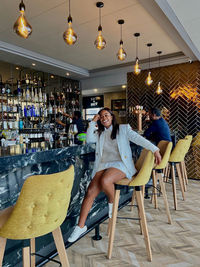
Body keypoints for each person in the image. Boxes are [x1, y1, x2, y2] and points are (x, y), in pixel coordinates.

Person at [67, 107, 161, 242]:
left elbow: (138, 139)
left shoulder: (123, 129)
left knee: (105, 181)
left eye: (106, 115)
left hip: (121, 164)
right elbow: (88, 140)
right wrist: (93, 122)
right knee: (89, 193)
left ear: (112, 116)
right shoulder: (99, 133)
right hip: (104, 165)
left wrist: (155, 149)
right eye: (101, 116)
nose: (104, 118)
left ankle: (113, 203)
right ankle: (80, 226)